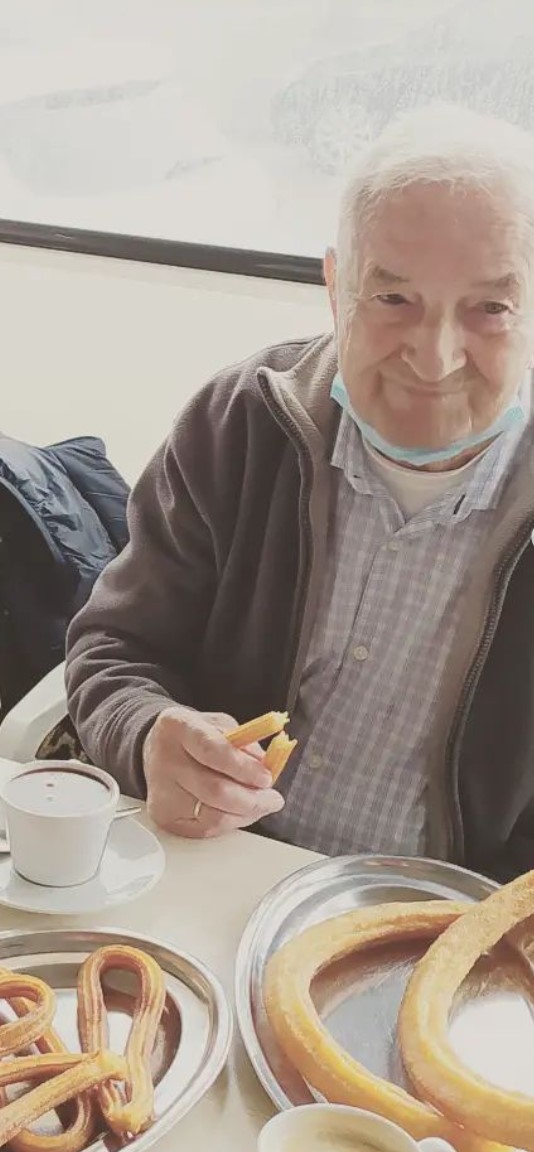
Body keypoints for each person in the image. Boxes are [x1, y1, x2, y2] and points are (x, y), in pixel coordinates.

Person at [67, 105, 534, 882]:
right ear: (333, 285)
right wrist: (153, 735)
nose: (436, 354)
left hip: (454, 930)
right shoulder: (241, 424)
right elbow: (114, 647)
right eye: (393, 299)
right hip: (208, 875)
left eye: (490, 307)